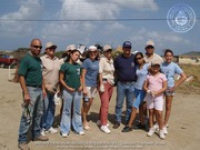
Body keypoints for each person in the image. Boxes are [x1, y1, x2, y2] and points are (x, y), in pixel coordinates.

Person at [18, 39, 48, 150]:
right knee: (27, 116)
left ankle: (36, 134)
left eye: (40, 47)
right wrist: (26, 93)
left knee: (38, 114)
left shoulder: (38, 60)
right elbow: (21, 76)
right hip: (30, 90)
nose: (38, 49)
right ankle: (22, 141)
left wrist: (43, 89)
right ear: (30, 46)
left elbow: (41, 75)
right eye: (36, 46)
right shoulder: (26, 59)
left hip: (39, 90)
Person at [59, 48, 84, 137]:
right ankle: (64, 129)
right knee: (66, 110)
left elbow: (81, 77)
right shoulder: (64, 65)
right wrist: (67, 87)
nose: (77, 57)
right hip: (67, 91)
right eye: (76, 55)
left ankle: (78, 127)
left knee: (77, 110)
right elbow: (61, 79)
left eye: (78, 56)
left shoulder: (78, 66)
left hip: (77, 91)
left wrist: (81, 85)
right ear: (71, 54)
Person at [161, 49, 187, 134]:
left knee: (168, 107)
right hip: (161, 88)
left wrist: (175, 85)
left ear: (172, 56)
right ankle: (160, 123)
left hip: (170, 88)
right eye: (167, 56)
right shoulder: (161, 65)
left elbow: (184, 76)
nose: (168, 57)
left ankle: (165, 125)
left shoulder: (174, 66)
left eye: (170, 56)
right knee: (159, 107)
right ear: (165, 56)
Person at [122, 52, 149, 132]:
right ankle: (142, 123)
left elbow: (156, 71)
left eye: (139, 58)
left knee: (134, 106)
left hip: (142, 90)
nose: (138, 60)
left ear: (142, 57)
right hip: (136, 88)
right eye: (136, 59)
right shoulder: (137, 66)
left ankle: (129, 125)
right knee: (140, 107)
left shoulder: (147, 66)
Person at [113, 41, 137, 129]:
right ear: (123, 49)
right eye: (126, 48)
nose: (127, 50)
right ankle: (117, 121)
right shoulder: (118, 59)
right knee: (119, 103)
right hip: (121, 84)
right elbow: (115, 71)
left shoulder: (134, 58)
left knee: (130, 104)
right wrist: (117, 80)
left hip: (132, 84)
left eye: (129, 48)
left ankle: (127, 120)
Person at [40, 42, 61, 135]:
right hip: (45, 88)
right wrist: (44, 87)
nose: (52, 50)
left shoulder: (57, 60)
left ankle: (48, 126)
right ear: (46, 50)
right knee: (43, 109)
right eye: (50, 48)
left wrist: (59, 87)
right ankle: (41, 127)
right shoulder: (42, 59)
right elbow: (39, 75)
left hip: (55, 89)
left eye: (53, 48)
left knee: (52, 108)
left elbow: (59, 74)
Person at [143, 59, 167, 140]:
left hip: (159, 97)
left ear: (159, 67)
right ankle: (151, 128)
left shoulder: (162, 76)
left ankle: (160, 130)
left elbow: (165, 87)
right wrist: (149, 91)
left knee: (159, 114)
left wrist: (157, 92)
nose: (156, 67)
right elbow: (145, 86)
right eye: (154, 66)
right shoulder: (148, 76)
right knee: (151, 112)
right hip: (150, 96)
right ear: (151, 67)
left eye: (157, 66)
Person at [97, 44, 115, 133]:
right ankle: (103, 124)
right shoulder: (102, 60)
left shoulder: (111, 60)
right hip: (104, 82)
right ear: (104, 52)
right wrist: (101, 84)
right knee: (106, 105)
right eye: (107, 51)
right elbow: (100, 72)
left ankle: (100, 120)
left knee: (105, 103)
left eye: (110, 51)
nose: (109, 52)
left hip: (111, 83)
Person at [81, 45, 99, 130]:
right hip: (87, 85)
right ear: (89, 52)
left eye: (94, 52)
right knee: (86, 103)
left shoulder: (97, 62)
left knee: (90, 103)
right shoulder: (86, 62)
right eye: (91, 52)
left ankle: (83, 118)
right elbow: (82, 75)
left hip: (94, 86)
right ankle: (84, 121)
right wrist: (84, 87)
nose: (93, 53)